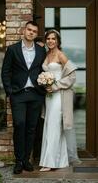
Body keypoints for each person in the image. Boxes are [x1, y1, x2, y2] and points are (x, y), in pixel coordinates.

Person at [1, 21, 46, 174]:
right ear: (23, 30)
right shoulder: (12, 49)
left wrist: (45, 86)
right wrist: (9, 91)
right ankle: (18, 160)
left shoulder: (41, 51)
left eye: (34, 31)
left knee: (31, 128)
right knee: (20, 125)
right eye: (29, 30)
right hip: (18, 94)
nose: (31, 32)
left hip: (35, 94)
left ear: (35, 34)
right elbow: (5, 71)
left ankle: (26, 160)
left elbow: (43, 70)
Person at [39, 29, 80, 171]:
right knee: (51, 126)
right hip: (49, 97)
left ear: (58, 41)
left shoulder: (61, 55)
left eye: (53, 39)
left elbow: (72, 76)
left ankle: (49, 163)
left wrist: (56, 86)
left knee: (54, 127)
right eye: (48, 38)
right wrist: (44, 83)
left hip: (58, 97)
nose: (51, 41)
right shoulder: (46, 54)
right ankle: (60, 161)